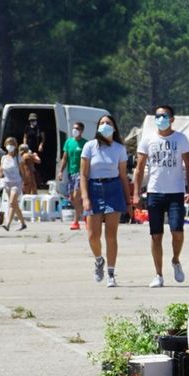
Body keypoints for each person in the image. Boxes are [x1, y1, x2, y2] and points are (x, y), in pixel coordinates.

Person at [134, 105, 189, 288]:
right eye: (158, 115)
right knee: (156, 235)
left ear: (172, 119)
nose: (160, 119)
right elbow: (139, 169)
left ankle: (176, 260)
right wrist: (136, 193)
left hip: (175, 192)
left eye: (164, 116)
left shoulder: (181, 139)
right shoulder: (148, 140)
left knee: (177, 232)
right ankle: (158, 274)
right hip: (154, 192)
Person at [79, 115, 132, 287]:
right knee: (93, 235)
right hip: (94, 189)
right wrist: (85, 197)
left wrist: (128, 199)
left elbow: (123, 176)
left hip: (113, 189)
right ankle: (99, 260)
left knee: (111, 234)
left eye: (108, 123)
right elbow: (84, 174)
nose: (104, 126)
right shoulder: (89, 146)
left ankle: (111, 272)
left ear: (114, 127)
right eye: (101, 123)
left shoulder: (119, 149)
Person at [0, 138, 27, 231]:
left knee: (12, 203)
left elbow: (22, 171)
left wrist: (24, 182)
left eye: (12, 144)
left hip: (16, 183)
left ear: (16, 146)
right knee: (15, 204)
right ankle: (23, 223)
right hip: (7, 183)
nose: (10, 146)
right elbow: (0, 171)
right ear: (5, 146)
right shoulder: (4, 158)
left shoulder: (18, 158)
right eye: (8, 144)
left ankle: (7, 223)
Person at [62, 121, 86, 229]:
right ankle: (85, 215)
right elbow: (65, 158)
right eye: (74, 128)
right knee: (71, 198)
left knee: (77, 196)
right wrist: (60, 171)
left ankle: (76, 222)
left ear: (81, 131)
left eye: (77, 128)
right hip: (70, 173)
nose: (74, 130)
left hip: (80, 173)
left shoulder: (85, 143)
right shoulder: (68, 142)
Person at [21, 113, 53, 188]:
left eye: (34, 120)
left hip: (37, 148)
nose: (32, 122)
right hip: (29, 148)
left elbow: (43, 138)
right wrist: (25, 146)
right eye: (31, 120)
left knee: (38, 164)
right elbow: (25, 137)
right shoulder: (27, 128)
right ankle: (28, 181)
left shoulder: (39, 128)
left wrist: (41, 145)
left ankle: (40, 181)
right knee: (28, 164)